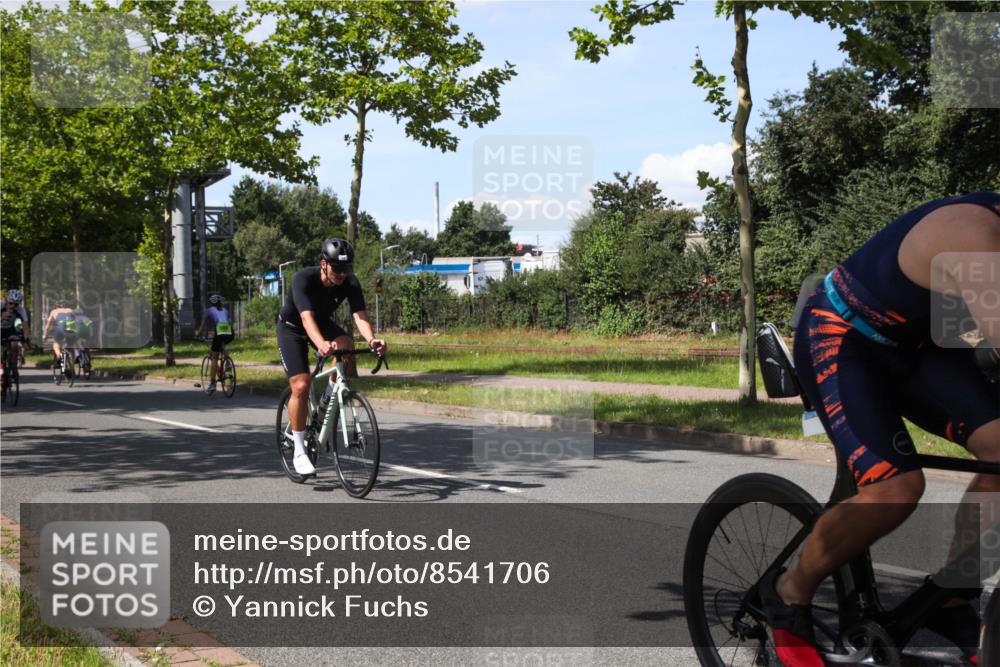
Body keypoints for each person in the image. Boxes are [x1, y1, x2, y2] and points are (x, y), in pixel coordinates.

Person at [763, 192, 1000, 667]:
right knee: (896, 488)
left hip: (918, 344)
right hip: (843, 336)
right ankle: (790, 591)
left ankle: (953, 594)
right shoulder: (975, 233)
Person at [276, 238, 386, 476]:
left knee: (346, 342)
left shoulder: (350, 282)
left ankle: (329, 395)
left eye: (346, 269)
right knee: (301, 384)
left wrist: (372, 340)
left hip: (322, 324)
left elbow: (360, 316)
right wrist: (321, 344)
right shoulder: (303, 279)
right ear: (323, 264)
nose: (341, 274)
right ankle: (298, 450)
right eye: (336, 268)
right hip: (292, 328)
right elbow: (306, 319)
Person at [195, 293, 234, 395]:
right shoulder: (225, 310)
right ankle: (227, 362)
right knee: (224, 343)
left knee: (214, 357)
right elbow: (229, 322)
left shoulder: (208, 311)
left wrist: (197, 335)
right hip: (230, 332)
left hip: (219, 332)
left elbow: (202, 326)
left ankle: (212, 384)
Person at [43, 299, 75, 375]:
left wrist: (45, 336)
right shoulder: (71, 310)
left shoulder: (54, 311)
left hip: (59, 330)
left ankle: (59, 356)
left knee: (56, 344)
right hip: (71, 330)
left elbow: (47, 326)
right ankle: (72, 367)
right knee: (71, 348)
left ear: (57, 306)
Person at [0, 288, 30, 370]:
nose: (13, 306)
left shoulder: (21, 309)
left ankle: (13, 365)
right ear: (6, 300)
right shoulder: (1, 304)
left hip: (12, 329)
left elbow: (25, 326)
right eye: (11, 303)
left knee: (15, 344)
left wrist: (25, 340)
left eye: (16, 304)